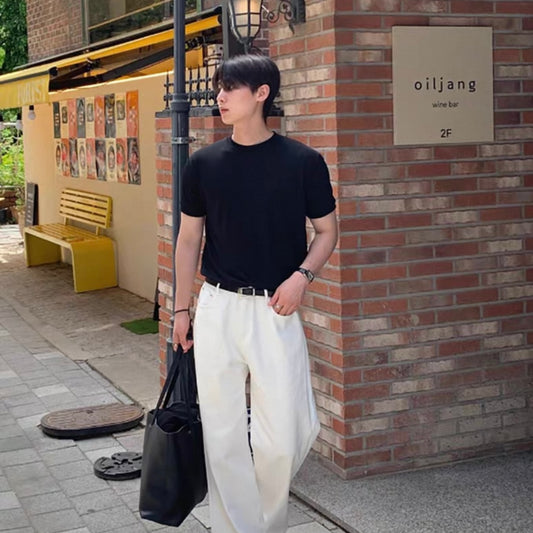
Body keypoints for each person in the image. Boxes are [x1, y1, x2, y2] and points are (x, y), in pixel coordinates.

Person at [172, 54, 337, 533]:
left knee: (284, 435)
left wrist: (301, 277)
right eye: (219, 88)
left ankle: (266, 523)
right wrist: (181, 310)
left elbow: (327, 231)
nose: (220, 97)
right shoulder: (202, 164)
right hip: (218, 306)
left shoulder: (303, 162)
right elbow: (188, 239)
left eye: (230, 88)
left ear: (262, 93)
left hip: (274, 308)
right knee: (222, 433)